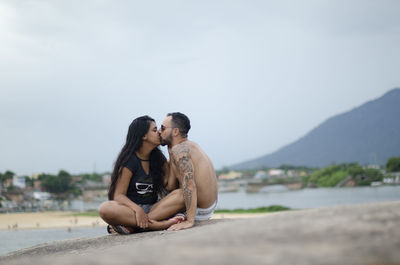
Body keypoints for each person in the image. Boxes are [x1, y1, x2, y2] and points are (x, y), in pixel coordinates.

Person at [98, 115, 185, 234]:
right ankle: (159, 224)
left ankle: (134, 226)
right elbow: (118, 195)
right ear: (144, 136)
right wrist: (137, 210)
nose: (159, 132)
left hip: (153, 209)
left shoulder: (158, 159)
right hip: (131, 210)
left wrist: (171, 154)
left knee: (182, 194)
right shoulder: (129, 160)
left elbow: (170, 186)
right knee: (105, 208)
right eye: (154, 130)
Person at [149, 112, 218, 231]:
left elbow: (189, 184)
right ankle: (137, 220)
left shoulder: (180, 150)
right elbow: (170, 185)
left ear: (175, 132)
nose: (159, 131)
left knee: (180, 194)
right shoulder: (185, 147)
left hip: (198, 209)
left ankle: (135, 223)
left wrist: (190, 221)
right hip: (207, 206)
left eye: (163, 128)